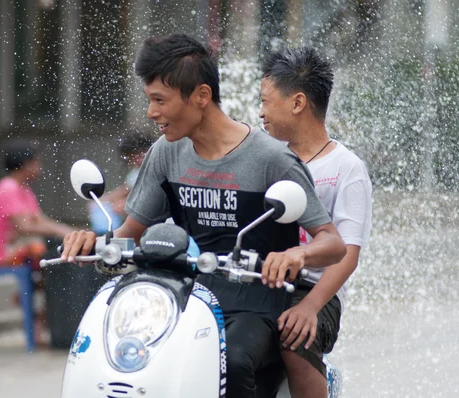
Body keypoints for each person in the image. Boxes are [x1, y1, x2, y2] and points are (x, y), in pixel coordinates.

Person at [61, 34, 346, 398]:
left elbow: (332, 242)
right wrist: (93, 242)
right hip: (192, 296)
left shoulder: (271, 159)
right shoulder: (166, 153)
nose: (152, 113)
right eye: (150, 101)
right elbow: (129, 234)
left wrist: (296, 254)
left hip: (259, 299)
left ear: (201, 96)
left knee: (234, 359)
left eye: (159, 101)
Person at [259, 48, 373, 397]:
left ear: (297, 103)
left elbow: (347, 254)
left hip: (314, 292)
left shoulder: (346, 168)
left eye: (265, 102)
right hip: (261, 279)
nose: (260, 113)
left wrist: (310, 307)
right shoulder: (264, 157)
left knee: (292, 338)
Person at [0, 139, 79, 343]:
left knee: (58, 263)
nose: (40, 167)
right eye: (37, 162)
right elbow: (25, 226)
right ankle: (36, 316)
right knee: (56, 262)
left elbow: (39, 220)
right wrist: (65, 231)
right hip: (5, 252)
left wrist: (69, 231)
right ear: (24, 164)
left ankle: (35, 311)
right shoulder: (9, 188)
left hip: (20, 248)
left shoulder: (23, 189)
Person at [87, 131, 155, 234]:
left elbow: (151, 196)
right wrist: (103, 199)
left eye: (140, 154)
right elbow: (125, 190)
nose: (137, 160)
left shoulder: (157, 168)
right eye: (132, 157)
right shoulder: (135, 172)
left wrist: (127, 205)